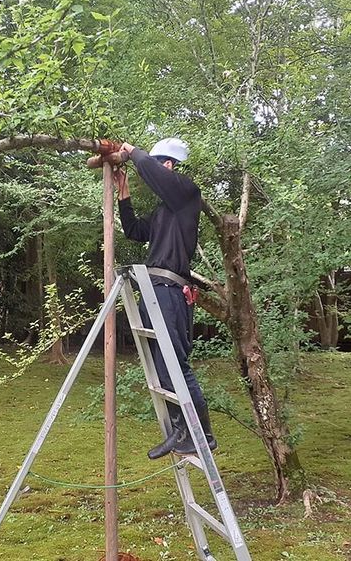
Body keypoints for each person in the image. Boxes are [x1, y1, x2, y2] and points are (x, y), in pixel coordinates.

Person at [110, 137, 216, 459]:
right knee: (161, 367)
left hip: (170, 292)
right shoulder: (164, 211)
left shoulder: (187, 194)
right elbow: (133, 230)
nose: (154, 172)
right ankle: (180, 430)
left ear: (168, 165)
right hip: (154, 289)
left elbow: (149, 168)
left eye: (158, 165)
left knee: (175, 365)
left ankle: (203, 434)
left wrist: (131, 151)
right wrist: (123, 190)